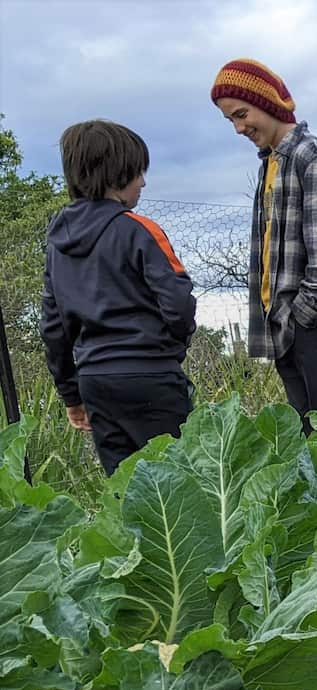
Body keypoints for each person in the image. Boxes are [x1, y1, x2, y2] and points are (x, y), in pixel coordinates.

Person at [211, 59, 317, 428]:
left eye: (242, 114)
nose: (238, 127)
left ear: (267, 102)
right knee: (312, 444)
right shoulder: (272, 163)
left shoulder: (313, 157)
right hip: (289, 329)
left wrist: (302, 319)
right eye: (230, 119)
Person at [40, 120, 197, 475]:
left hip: (96, 381)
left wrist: (71, 395)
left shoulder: (56, 246)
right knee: (179, 487)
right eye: (138, 172)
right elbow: (179, 303)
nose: (143, 182)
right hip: (151, 376)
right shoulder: (139, 229)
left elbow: (53, 327)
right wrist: (169, 351)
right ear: (117, 175)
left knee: (125, 493)